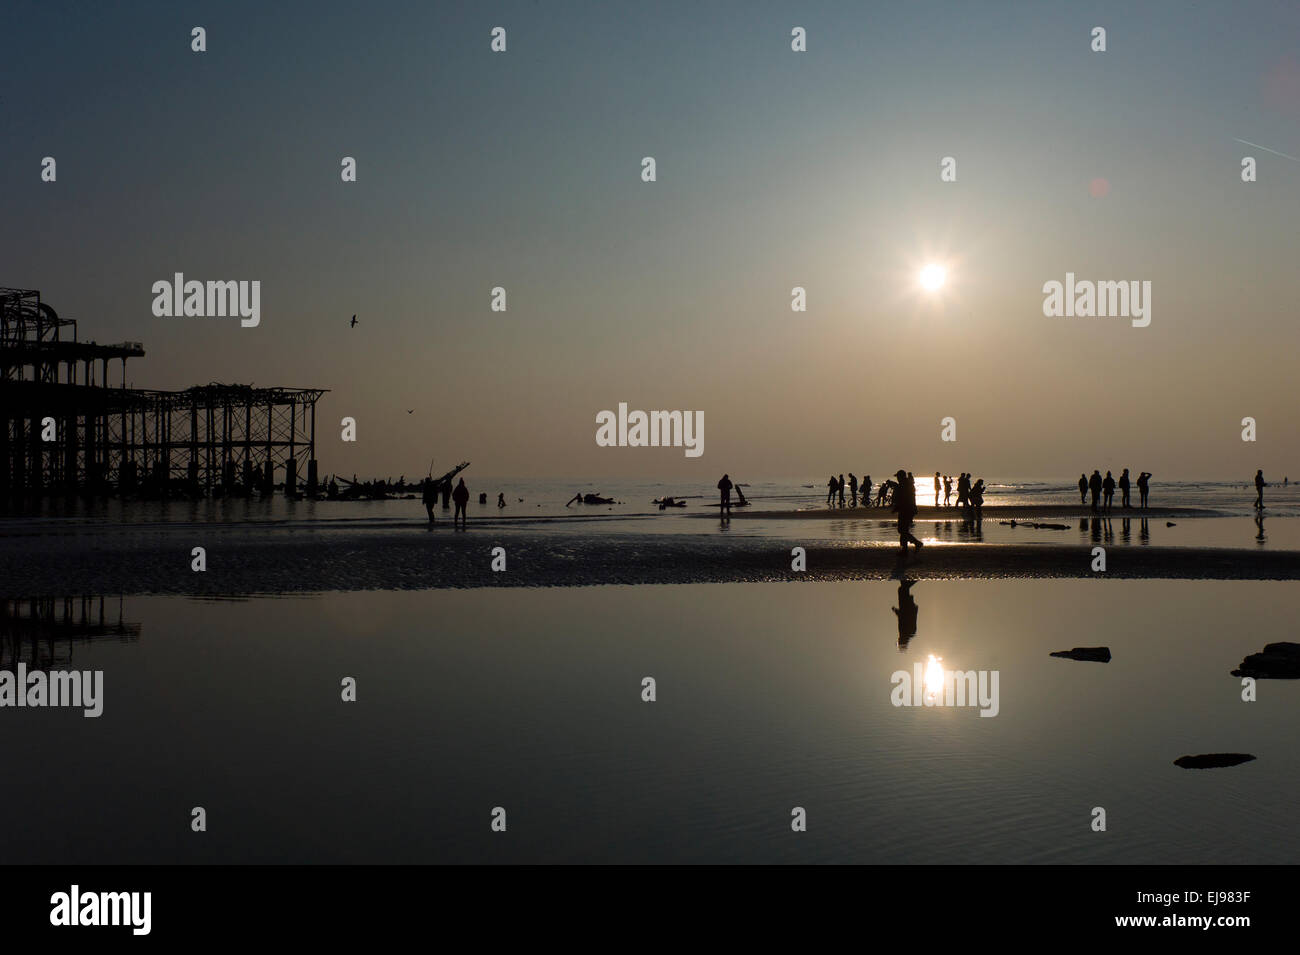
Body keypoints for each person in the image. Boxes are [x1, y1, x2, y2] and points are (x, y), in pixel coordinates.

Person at [892, 469, 923, 552]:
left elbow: (904, 497)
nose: (897, 478)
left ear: (901, 477)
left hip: (907, 510)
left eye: (898, 477)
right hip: (908, 509)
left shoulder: (904, 484)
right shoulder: (906, 484)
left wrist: (896, 486)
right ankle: (905, 549)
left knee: (902, 530)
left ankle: (916, 543)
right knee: (903, 530)